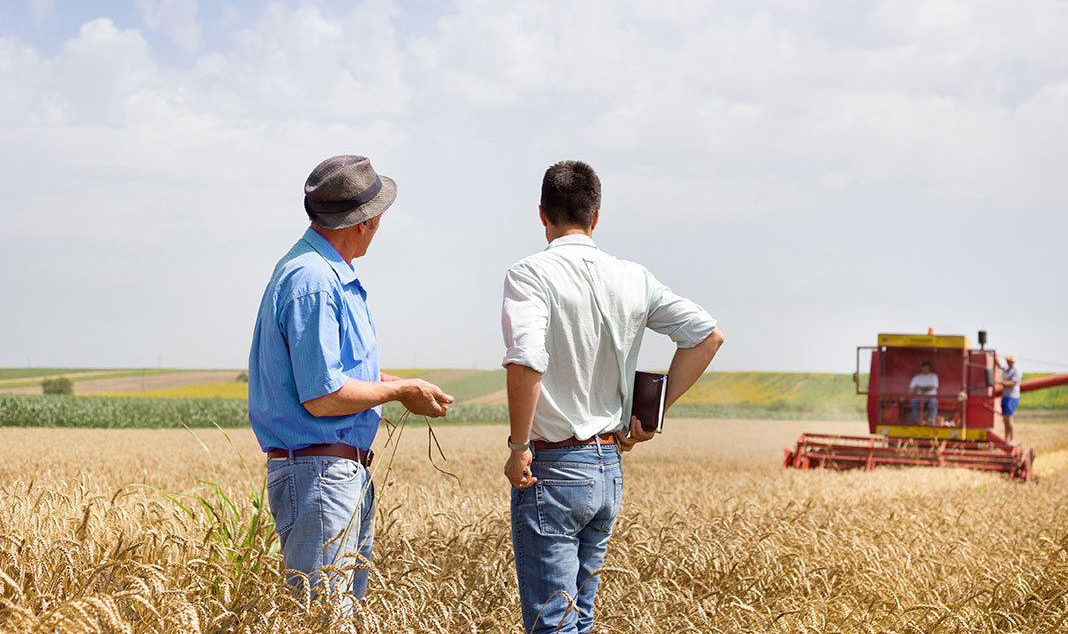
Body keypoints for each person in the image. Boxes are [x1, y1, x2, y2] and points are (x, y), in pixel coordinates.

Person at [501, 160, 725, 634]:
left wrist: (519, 448)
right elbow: (707, 337)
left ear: (542, 214)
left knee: (553, 626)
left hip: (555, 468)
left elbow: (525, 360)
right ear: (596, 217)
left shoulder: (530, 274)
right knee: (579, 621)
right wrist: (653, 412)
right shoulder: (634, 277)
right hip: (607, 470)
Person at [248, 154, 454, 606]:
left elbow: (330, 373)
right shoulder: (317, 281)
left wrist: (389, 382)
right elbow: (323, 396)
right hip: (321, 475)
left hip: (329, 473)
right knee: (326, 616)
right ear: (363, 223)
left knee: (338, 612)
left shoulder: (316, 272)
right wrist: (400, 391)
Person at [999, 353, 1021, 441]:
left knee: (1009, 418)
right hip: (1005, 396)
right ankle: (1006, 438)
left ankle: (1011, 439)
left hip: (1012, 397)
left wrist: (999, 382)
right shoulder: (1007, 369)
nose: (1008, 362)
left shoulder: (1016, 371)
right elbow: (1000, 367)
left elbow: (1012, 383)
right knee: (1005, 419)